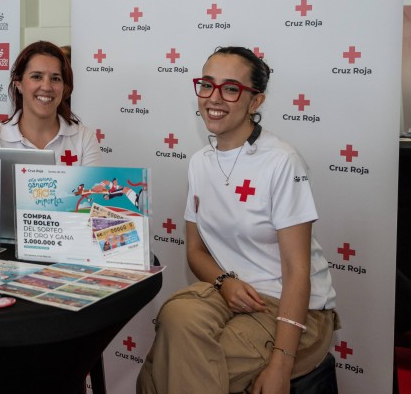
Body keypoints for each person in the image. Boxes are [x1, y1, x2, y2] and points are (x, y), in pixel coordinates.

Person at [137, 46, 339, 394]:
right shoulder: (200, 162)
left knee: (167, 377)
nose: (214, 98)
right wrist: (225, 282)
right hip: (230, 294)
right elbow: (196, 252)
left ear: (255, 101)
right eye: (207, 85)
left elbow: (297, 272)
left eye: (231, 88)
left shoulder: (281, 162)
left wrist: (281, 363)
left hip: (291, 308)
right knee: (176, 318)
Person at [0, 40, 101, 166]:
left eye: (55, 78)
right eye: (37, 77)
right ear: (19, 84)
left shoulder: (84, 139)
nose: (47, 87)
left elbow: (92, 186)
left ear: (64, 87)